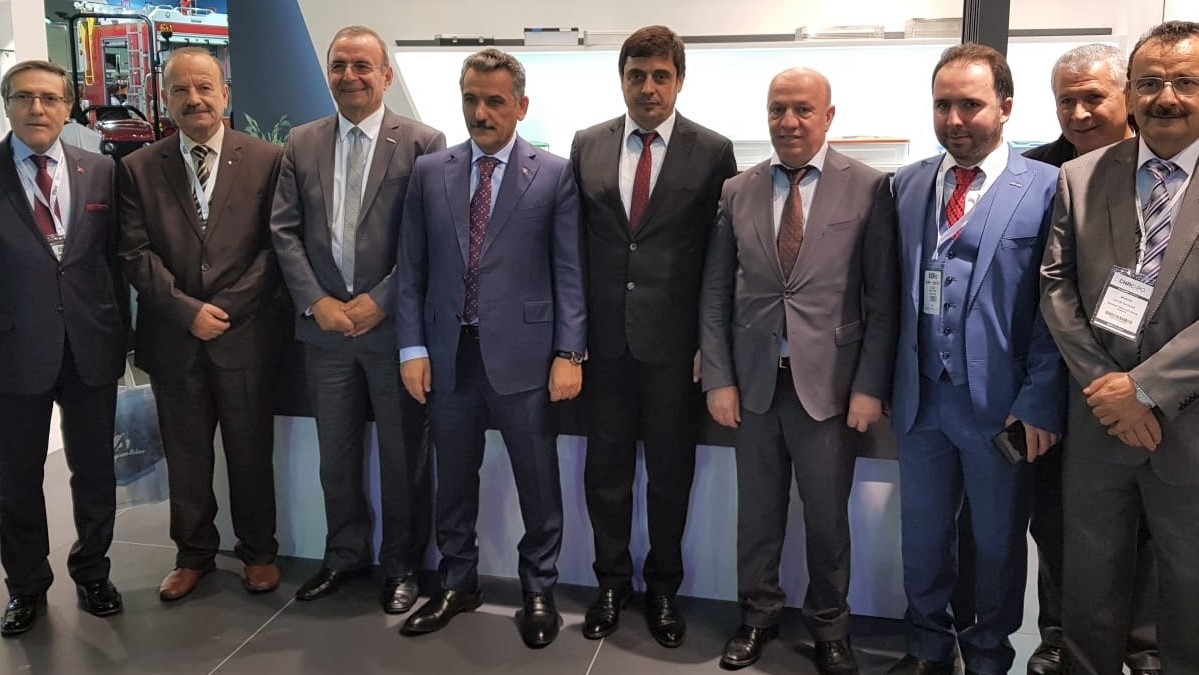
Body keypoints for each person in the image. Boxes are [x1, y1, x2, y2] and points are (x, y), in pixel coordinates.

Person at [700, 67, 897, 674]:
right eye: (777, 110)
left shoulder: (868, 187)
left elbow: (881, 299)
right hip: (754, 383)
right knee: (756, 514)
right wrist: (719, 377)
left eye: (802, 110)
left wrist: (868, 386)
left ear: (828, 116)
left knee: (827, 518)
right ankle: (757, 617)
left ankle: (830, 626)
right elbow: (715, 293)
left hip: (830, 387)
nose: (788, 122)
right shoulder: (737, 190)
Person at [396, 47, 586, 649]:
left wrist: (570, 352)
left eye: (495, 101)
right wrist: (411, 348)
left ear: (521, 106)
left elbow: (569, 271)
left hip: (526, 357)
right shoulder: (431, 172)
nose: (481, 113)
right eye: (471, 100)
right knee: (453, 479)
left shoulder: (553, 174)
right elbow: (411, 269)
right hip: (447, 355)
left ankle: (538, 589)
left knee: (538, 480)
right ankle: (458, 583)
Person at [887, 43, 1066, 675]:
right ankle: (928, 647)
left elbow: (1056, 308)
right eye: (943, 105)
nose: (955, 119)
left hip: (1002, 406)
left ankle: (989, 655)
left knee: (997, 542)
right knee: (922, 536)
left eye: (970, 104)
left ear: (1006, 107)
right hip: (920, 399)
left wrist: (1039, 400)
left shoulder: (1047, 187)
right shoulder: (906, 185)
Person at [569, 24, 736, 647]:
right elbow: (573, 247)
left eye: (660, 76)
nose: (648, 88)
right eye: (636, 75)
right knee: (606, 473)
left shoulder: (712, 151)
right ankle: (611, 583)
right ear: (622, 79)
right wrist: (571, 338)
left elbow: (722, 258)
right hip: (605, 343)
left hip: (675, 350)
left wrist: (709, 345)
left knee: (670, 474)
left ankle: (664, 587)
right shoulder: (587, 144)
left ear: (679, 81)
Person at [1041, 20, 1199, 675]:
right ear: (1130, 93)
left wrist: (1146, 389)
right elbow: (1055, 286)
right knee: (1088, 587)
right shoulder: (1078, 178)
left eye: (1186, 81)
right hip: (1098, 422)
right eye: (1150, 82)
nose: (1166, 96)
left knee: (1189, 589)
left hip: (1188, 424)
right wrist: (1107, 387)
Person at [270, 25, 444, 614]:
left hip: (393, 332)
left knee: (403, 457)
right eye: (339, 66)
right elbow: (283, 230)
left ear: (386, 75)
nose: (350, 76)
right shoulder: (301, 142)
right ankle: (343, 555)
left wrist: (383, 299)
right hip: (325, 332)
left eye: (362, 66)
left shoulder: (422, 142)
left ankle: (402, 566)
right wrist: (316, 301)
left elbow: (429, 237)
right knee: (336, 456)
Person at [118, 47, 286, 601]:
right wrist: (187, 311)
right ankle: (193, 555)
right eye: (180, 90)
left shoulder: (267, 160)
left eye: (204, 87)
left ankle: (258, 552)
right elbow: (135, 252)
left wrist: (227, 308)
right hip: (174, 338)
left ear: (225, 93)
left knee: (249, 452)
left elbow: (276, 247)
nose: (194, 99)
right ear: (165, 98)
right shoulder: (138, 168)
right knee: (186, 456)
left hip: (245, 336)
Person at [1020, 44, 1157, 675]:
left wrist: (1143, 384)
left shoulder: (1164, 165)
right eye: (1065, 100)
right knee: (1058, 520)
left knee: (1152, 525)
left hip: (1155, 387)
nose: (1078, 113)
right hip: (1061, 385)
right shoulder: (1034, 174)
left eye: (1093, 97)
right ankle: (1058, 633)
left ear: (1126, 95)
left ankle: (1143, 646)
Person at [0, 60, 127, 636]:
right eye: (24, 97)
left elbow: (114, 259)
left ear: (68, 107)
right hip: (14, 351)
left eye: (50, 99)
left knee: (95, 470)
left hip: (89, 344)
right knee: (16, 478)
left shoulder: (100, 171)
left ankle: (93, 571)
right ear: (7, 104)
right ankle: (26, 586)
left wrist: (119, 333)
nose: (37, 109)